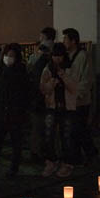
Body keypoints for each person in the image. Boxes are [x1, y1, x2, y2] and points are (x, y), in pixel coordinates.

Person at [0, 44, 30, 177]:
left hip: (15, 111)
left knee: (16, 142)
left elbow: (22, 89)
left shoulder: (20, 70)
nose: (8, 58)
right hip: (1, 110)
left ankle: (13, 168)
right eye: (7, 55)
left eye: (11, 56)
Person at [40, 43, 78, 177]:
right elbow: (43, 89)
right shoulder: (47, 69)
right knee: (49, 134)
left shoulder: (70, 68)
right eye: (55, 56)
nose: (57, 59)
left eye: (59, 56)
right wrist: (51, 83)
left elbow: (74, 88)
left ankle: (67, 163)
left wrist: (63, 76)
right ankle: (51, 161)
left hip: (68, 107)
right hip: (52, 106)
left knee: (66, 135)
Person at [62, 28, 98, 161]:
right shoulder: (67, 57)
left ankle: (88, 153)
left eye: (66, 39)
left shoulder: (83, 56)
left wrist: (77, 94)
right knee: (75, 129)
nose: (64, 41)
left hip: (80, 101)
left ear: (73, 41)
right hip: (70, 99)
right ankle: (79, 154)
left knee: (79, 129)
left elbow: (87, 79)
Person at [27, 27, 55, 160]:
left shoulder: (41, 54)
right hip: (48, 96)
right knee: (47, 126)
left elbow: (31, 67)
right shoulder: (55, 52)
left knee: (38, 125)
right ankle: (44, 150)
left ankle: (37, 151)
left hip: (38, 95)